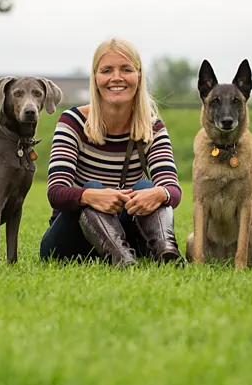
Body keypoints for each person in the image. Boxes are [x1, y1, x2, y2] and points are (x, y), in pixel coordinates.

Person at [40, 38, 183, 267]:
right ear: (96, 79)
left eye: (126, 69)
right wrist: (90, 196)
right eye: (107, 70)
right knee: (92, 187)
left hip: (129, 235)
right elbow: (56, 192)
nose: (116, 78)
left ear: (138, 76)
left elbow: (172, 189)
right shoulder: (73, 122)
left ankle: (166, 252)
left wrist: (160, 194)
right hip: (71, 239)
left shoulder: (152, 127)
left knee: (148, 188)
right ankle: (120, 257)